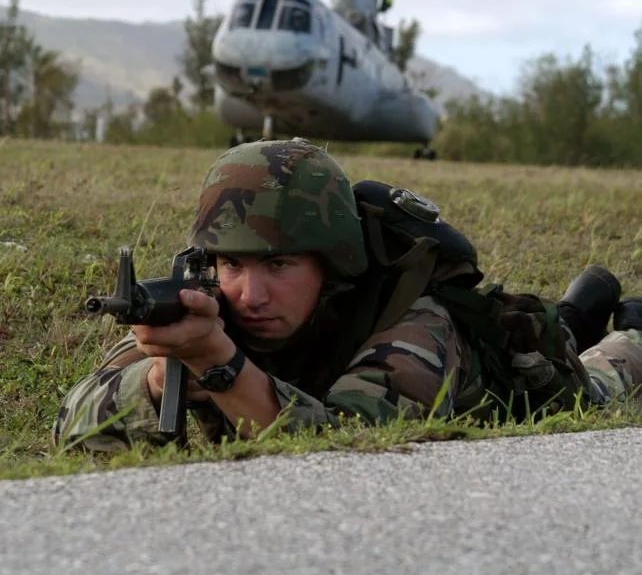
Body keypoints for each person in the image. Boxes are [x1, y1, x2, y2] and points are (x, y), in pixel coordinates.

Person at [53, 138, 642, 452]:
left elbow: (345, 450)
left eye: (279, 265)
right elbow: (70, 428)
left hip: (520, 369)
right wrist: (159, 378)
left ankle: (623, 325)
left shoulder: (412, 326)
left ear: (331, 269)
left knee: (603, 374)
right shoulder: (206, 304)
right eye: (232, 263)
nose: (249, 293)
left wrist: (219, 365)